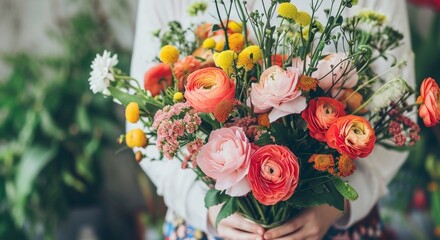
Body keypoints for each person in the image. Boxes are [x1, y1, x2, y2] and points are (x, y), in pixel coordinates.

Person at [130, 0, 415, 239]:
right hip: (206, 226)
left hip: (333, 225)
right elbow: (142, 119)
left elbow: (398, 111)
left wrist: (336, 206)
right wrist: (203, 207)